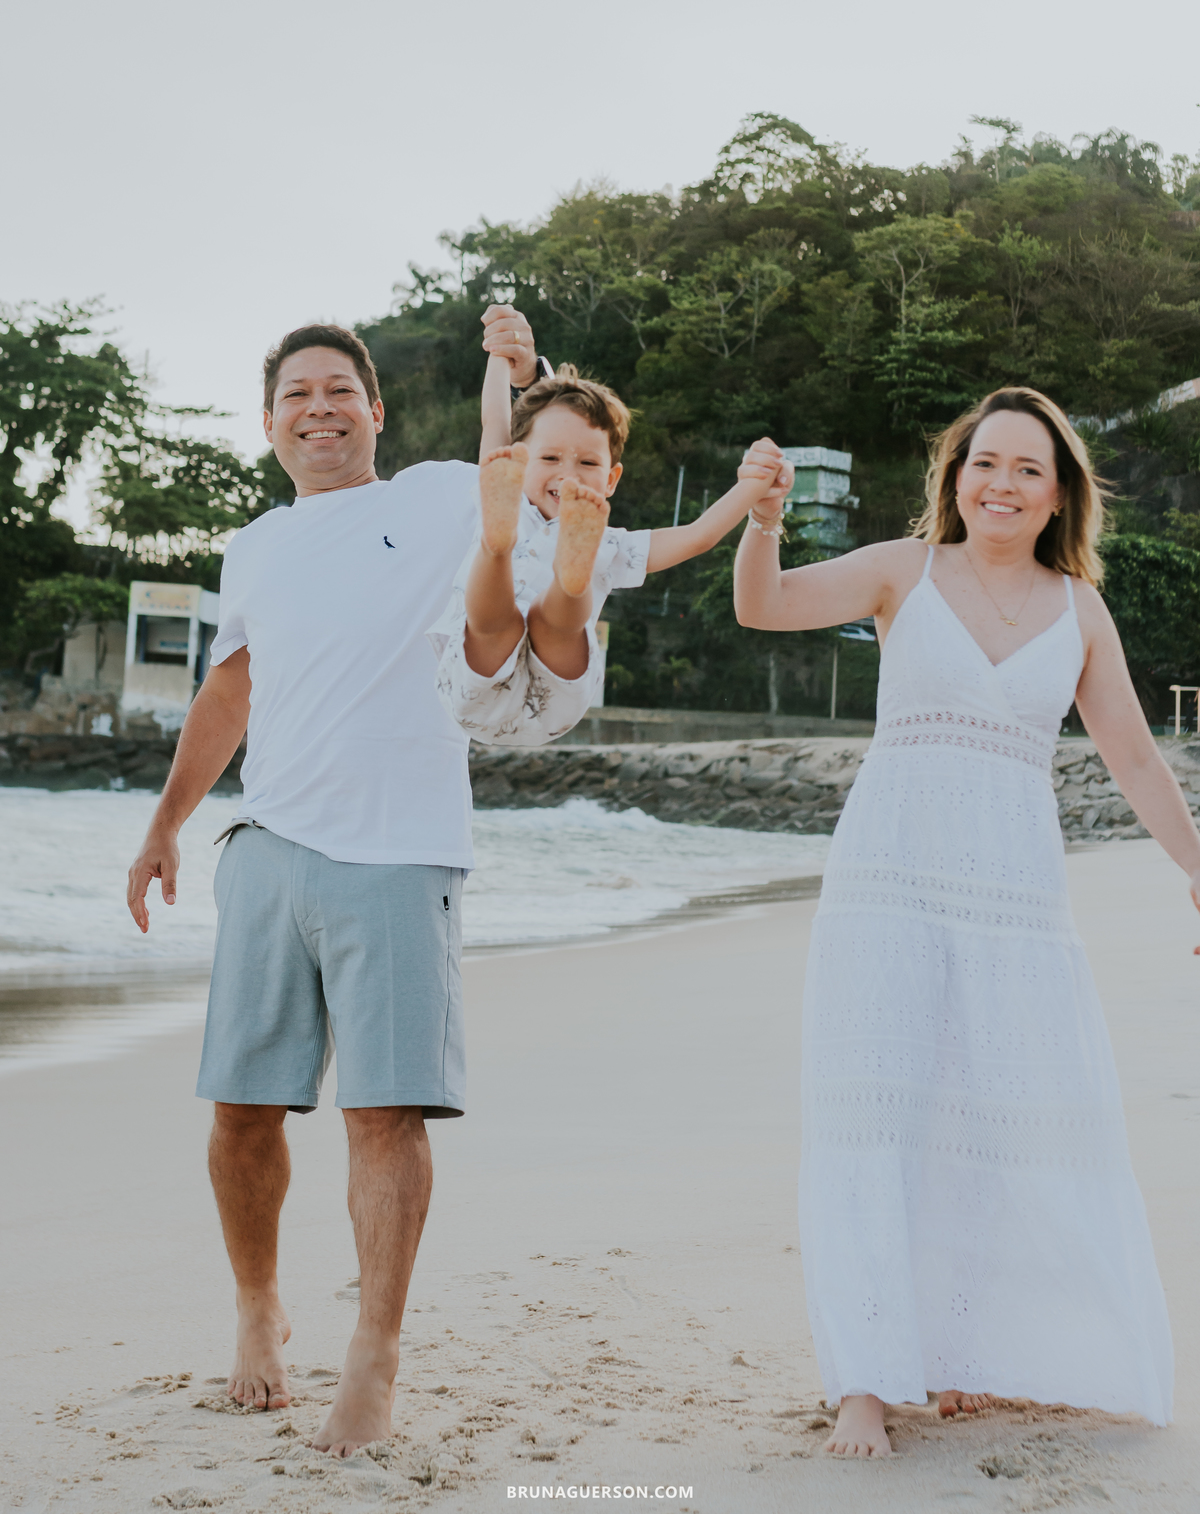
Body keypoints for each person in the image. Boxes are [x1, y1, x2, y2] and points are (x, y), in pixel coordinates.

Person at [733, 386, 1188, 1458]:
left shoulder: (1079, 607)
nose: (1004, 483)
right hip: (888, 883)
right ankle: (864, 1381)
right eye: (987, 463)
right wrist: (761, 523)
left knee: (994, 1116)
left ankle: (961, 1350)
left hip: (1016, 896)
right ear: (957, 475)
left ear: (1058, 492)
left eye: (1030, 469)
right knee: (876, 1117)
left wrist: (1199, 870)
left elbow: (1129, 751)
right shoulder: (905, 571)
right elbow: (764, 606)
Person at [124, 307, 545, 1458]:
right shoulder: (256, 544)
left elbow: (534, 459)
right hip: (272, 846)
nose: (320, 407)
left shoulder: (441, 495)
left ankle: (375, 1354)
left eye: (339, 390)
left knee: (385, 1110)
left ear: (374, 410)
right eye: (297, 394)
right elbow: (230, 693)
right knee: (242, 1110)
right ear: (271, 424)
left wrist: (522, 369)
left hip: (402, 852)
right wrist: (166, 824)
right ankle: (259, 1306)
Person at [428, 354, 791, 743]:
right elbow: (495, 421)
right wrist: (499, 355)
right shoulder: (500, 488)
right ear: (520, 457)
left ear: (611, 479)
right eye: (550, 458)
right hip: (476, 682)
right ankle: (498, 547)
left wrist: (754, 486)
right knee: (497, 624)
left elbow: (698, 535)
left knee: (549, 622)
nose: (568, 474)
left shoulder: (607, 540)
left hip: (550, 697)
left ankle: (567, 575)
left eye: (587, 462)